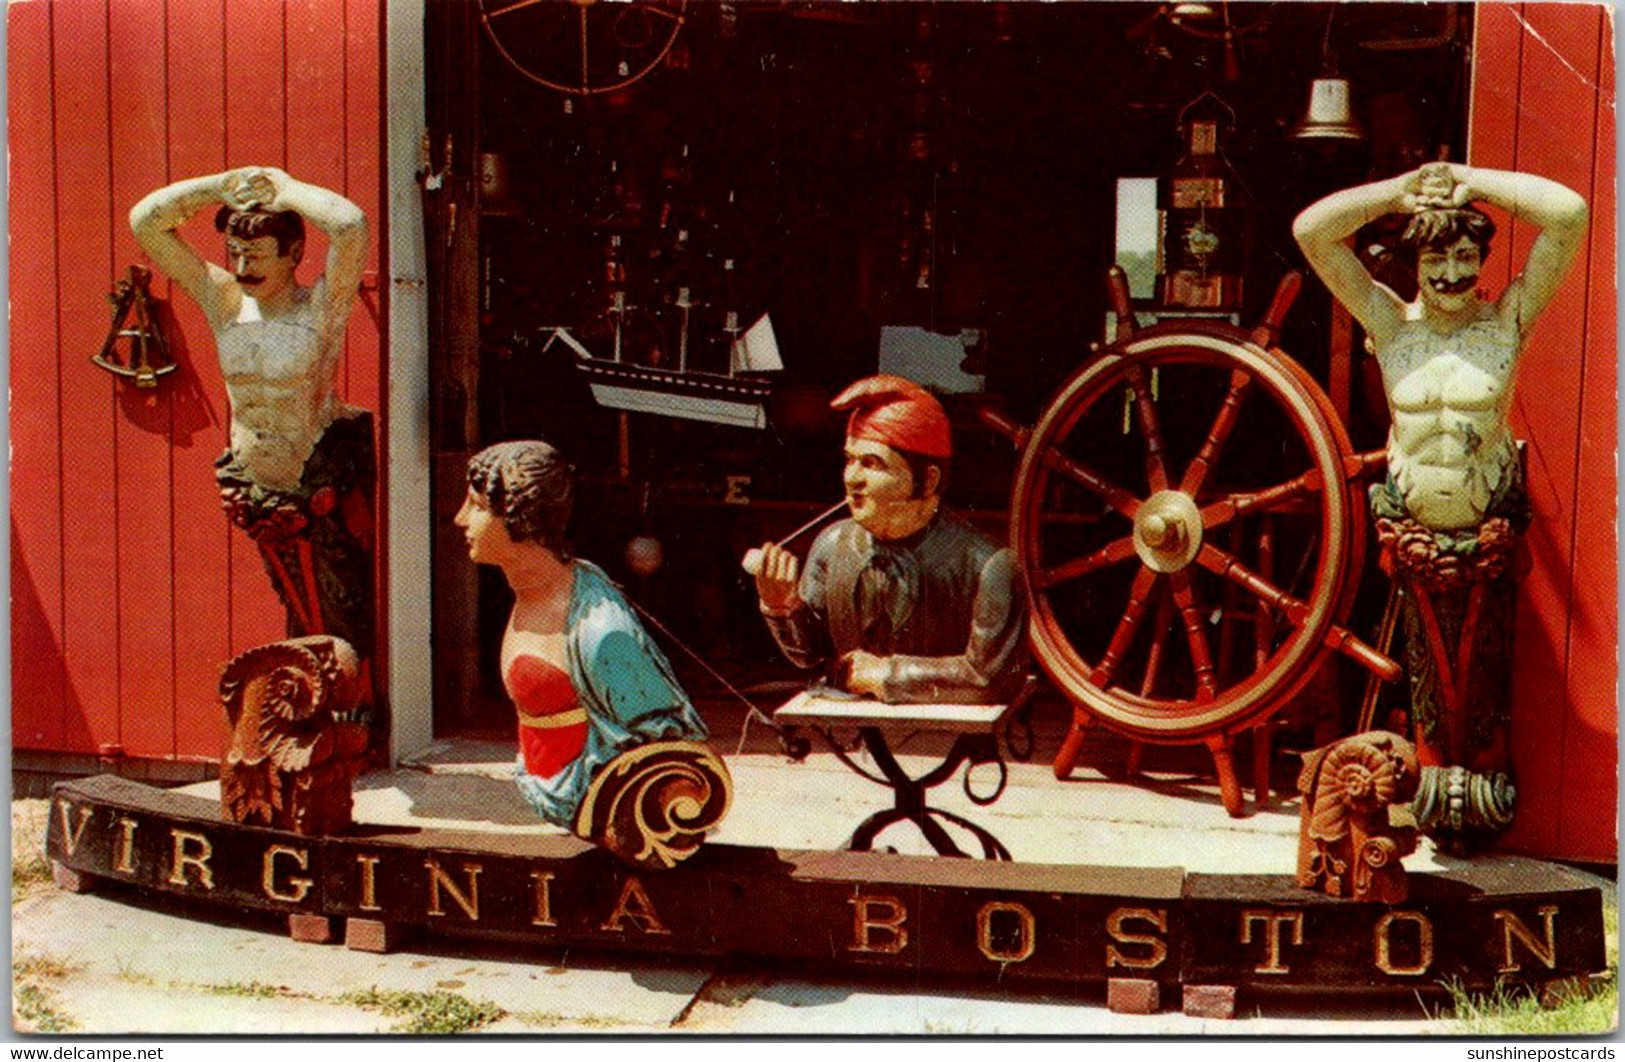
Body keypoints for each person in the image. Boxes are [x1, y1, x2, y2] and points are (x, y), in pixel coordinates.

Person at [1294, 162, 1587, 851]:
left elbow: (1568, 212)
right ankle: (1433, 794)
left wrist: (1467, 179)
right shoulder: (1389, 325)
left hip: (1484, 544)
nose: (1452, 272)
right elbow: (1311, 230)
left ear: (1480, 261)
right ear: (1414, 263)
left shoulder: (1505, 321)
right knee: (1427, 681)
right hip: (1414, 540)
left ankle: (1479, 798)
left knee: (1480, 689)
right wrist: (1400, 194)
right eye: (1435, 256)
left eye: (1464, 255)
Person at [130, 167, 375, 660]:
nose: (243, 266)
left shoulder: (320, 309)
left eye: (258, 254)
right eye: (236, 254)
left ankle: (348, 704)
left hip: (315, 479)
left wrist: (285, 188)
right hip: (255, 485)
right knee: (293, 596)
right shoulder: (223, 300)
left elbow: (350, 226)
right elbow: (145, 222)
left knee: (338, 604)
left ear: (294, 254)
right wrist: (219, 187)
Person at [455, 440, 709, 828]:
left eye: (475, 505)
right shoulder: (529, 594)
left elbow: (667, 744)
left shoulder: (600, 631)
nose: (460, 518)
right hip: (547, 789)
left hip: (590, 800)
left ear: (519, 515)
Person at [753, 375, 1025, 705]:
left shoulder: (989, 566)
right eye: (850, 459)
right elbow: (812, 657)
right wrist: (782, 607)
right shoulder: (832, 545)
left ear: (927, 481)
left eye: (871, 463)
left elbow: (988, 679)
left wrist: (885, 675)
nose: (852, 478)